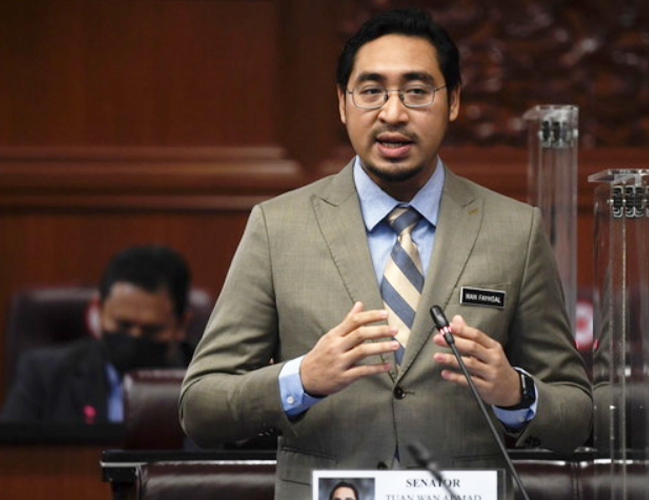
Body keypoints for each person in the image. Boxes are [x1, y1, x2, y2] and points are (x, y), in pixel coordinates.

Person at [179, 8, 591, 499]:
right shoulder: (278, 226)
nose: (393, 113)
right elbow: (200, 407)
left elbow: (576, 414)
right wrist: (302, 379)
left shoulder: (515, 230)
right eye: (371, 91)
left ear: (454, 101)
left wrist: (515, 393)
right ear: (342, 103)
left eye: (416, 91)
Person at [1, 244, 192, 423]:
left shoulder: (201, 383)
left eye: (151, 329)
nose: (134, 336)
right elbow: (13, 447)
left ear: (181, 325)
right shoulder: (44, 376)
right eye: (123, 325)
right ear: (98, 312)